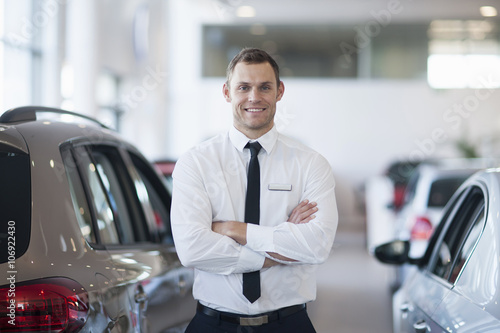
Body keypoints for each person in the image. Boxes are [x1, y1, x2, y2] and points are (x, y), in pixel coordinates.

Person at [170, 47, 338, 333]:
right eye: (243, 87)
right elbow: (193, 249)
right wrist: (274, 253)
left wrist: (236, 230)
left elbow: (317, 244)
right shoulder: (195, 163)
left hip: (289, 324)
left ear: (279, 91)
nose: (254, 97)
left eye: (264, 87)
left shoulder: (311, 164)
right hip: (213, 324)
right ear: (227, 92)